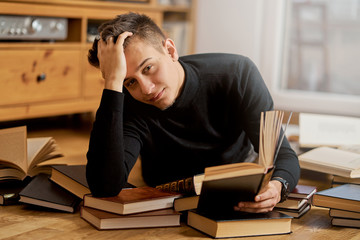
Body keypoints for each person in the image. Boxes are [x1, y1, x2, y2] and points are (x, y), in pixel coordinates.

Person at [86, 12, 300, 213]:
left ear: (170, 50)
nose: (146, 89)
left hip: (236, 181)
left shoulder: (238, 74)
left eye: (148, 68)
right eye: (129, 81)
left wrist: (277, 188)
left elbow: (283, 154)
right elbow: (104, 187)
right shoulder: (128, 100)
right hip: (166, 191)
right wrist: (113, 84)